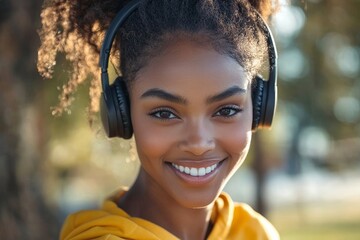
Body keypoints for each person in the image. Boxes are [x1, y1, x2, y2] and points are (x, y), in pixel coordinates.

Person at [38, 0, 280, 239]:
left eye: (226, 111)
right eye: (165, 113)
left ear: (260, 108)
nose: (198, 144)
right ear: (122, 114)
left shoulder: (255, 233)